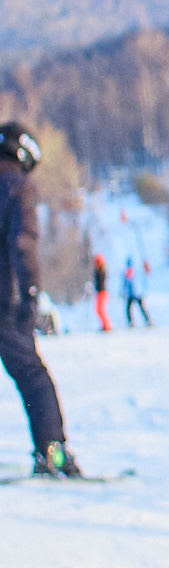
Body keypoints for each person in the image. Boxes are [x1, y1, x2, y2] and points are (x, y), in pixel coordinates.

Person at [0, 123, 82, 477]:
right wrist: (31, 290)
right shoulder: (18, 187)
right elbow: (23, 241)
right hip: (6, 300)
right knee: (33, 375)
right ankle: (53, 452)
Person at [121, 256, 151, 326]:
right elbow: (126, 284)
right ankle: (132, 321)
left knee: (139, 308)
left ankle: (146, 320)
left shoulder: (134, 272)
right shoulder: (130, 272)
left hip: (136, 293)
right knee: (131, 308)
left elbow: (140, 281)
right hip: (133, 293)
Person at [91, 252, 111, 332]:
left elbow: (100, 283)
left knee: (100, 309)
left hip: (102, 292)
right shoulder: (99, 271)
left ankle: (107, 325)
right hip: (100, 292)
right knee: (99, 310)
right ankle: (105, 325)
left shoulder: (101, 271)